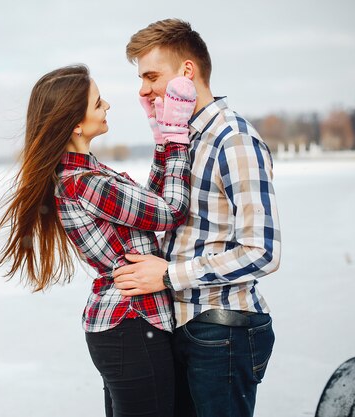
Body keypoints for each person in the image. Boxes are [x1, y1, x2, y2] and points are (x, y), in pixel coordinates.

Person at [0, 64, 196, 417]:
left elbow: (151, 207)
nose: (107, 105)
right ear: (76, 123)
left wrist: (160, 138)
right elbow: (171, 211)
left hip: (128, 327)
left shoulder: (88, 172)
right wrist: (175, 137)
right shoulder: (83, 182)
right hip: (132, 324)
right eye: (98, 103)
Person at [112, 19, 282, 417]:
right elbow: (163, 215)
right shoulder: (184, 138)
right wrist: (162, 141)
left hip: (223, 329)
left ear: (187, 72)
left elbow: (263, 251)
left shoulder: (233, 139)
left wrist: (170, 274)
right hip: (185, 323)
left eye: (152, 76)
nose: (143, 89)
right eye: (141, 79)